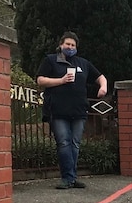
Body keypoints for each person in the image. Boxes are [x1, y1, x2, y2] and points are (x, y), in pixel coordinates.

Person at [36, 32, 108, 189]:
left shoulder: (83, 63)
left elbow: (100, 77)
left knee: (75, 144)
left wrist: (103, 87)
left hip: (79, 111)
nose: (70, 47)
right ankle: (67, 178)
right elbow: (40, 80)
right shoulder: (51, 60)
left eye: (73, 45)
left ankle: (71, 178)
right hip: (58, 110)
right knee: (63, 143)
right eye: (67, 44)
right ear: (61, 45)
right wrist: (61, 81)